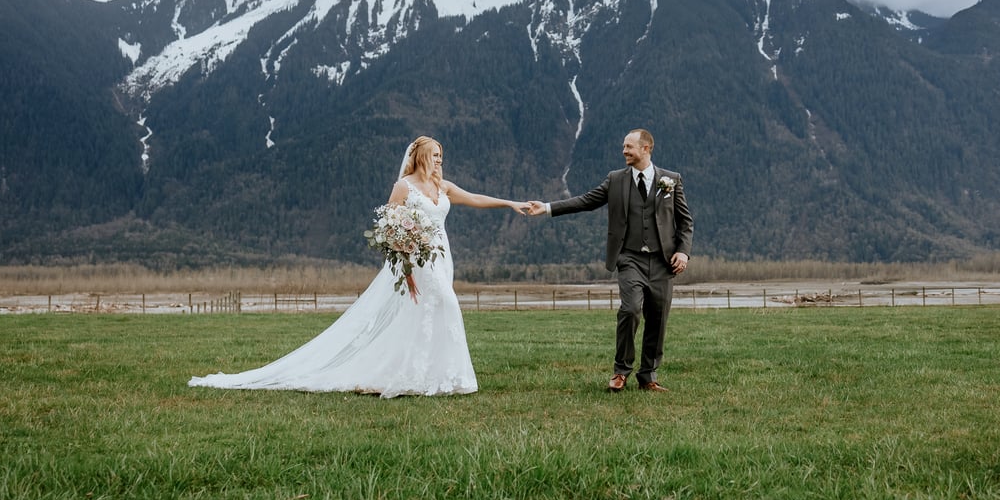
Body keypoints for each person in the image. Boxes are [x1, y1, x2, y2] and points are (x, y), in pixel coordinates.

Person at [190, 136, 528, 398]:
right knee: (447, 305)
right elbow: (391, 229)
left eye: (442, 155)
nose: (441, 160)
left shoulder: (442, 186)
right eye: (436, 155)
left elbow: (476, 198)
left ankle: (430, 375)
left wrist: (510, 203)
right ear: (422, 155)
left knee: (428, 313)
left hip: (441, 257)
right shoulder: (404, 186)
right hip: (416, 259)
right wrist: (407, 269)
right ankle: (437, 376)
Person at [528, 129, 693, 393]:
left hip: (662, 262)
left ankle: (648, 376)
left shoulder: (671, 180)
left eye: (629, 147)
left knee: (658, 317)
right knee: (630, 310)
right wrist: (547, 208)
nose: (624, 151)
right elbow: (586, 201)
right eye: (624, 147)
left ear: (646, 148)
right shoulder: (615, 180)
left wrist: (683, 251)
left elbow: (685, 222)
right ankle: (621, 372)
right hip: (629, 259)